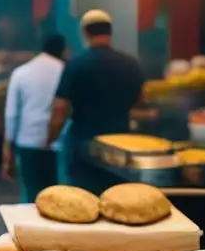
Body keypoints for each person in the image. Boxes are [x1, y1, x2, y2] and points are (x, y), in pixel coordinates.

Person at [48, 10, 144, 194]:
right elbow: (141, 100)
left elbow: (60, 107)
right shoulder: (130, 63)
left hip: (84, 141)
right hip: (121, 143)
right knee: (117, 194)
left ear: (85, 33)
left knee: (83, 196)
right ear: (110, 32)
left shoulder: (76, 64)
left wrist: (51, 136)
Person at [3, 33, 68, 204]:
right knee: (57, 198)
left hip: (27, 141)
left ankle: (30, 229)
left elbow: (11, 114)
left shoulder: (21, 72)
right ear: (64, 50)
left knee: (31, 195)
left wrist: (8, 150)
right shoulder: (66, 71)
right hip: (59, 144)